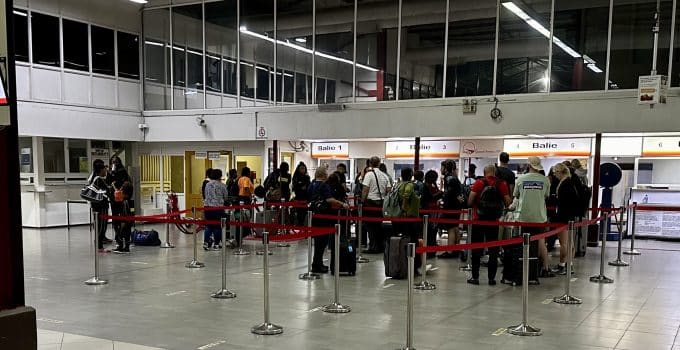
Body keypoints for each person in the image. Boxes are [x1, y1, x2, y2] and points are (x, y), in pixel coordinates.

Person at [466, 165, 512, 285]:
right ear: (495, 172)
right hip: (494, 221)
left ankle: (475, 277)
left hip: (478, 219)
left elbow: (470, 201)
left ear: (484, 172)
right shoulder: (502, 184)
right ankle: (492, 278)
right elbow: (508, 202)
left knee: (476, 249)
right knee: (493, 250)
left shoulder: (479, 183)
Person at [513, 156, 554, 279]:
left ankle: (524, 267)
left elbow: (516, 195)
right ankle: (545, 268)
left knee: (523, 242)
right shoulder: (545, 180)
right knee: (541, 242)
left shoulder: (520, 179)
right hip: (540, 217)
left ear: (529, 165)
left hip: (523, 217)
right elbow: (546, 196)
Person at [308, 167, 349, 273]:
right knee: (322, 241)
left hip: (313, 215)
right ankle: (317, 265)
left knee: (317, 241)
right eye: (326, 173)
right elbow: (329, 199)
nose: (327, 175)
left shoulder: (311, 185)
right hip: (324, 216)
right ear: (323, 175)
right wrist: (342, 204)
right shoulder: (324, 185)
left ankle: (317, 263)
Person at [552, 163, 581, 275]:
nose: (554, 175)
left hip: (563, 217)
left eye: (556, 172)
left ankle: (562, 265)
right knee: (570, 243)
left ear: (561, 172)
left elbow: (563, 202)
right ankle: (569, 264)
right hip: (570, 217)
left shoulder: (565, 184)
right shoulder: (570, 182)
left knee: (564, 243)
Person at [361, 156, 392, 254]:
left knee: (370, 226)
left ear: (370, 163)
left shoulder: (369, 175)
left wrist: (362, 201)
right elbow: (388, 191)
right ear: (379, 163)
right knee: (379, 225)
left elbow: (365, 190)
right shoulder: (384, 175)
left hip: (370, 203)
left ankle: (373, 246)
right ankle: (380, 246)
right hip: (381, 204)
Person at [438, 159, 464, 259]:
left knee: (451, 228)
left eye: (442, 167)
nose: (441, 169)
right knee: (455, 227)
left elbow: (449, 193)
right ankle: (456, 248)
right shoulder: (455, 178)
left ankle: (450, 250)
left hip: (450, 206)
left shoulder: (448, 178)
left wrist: (443, 199)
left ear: (445, 168)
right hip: (457, 206)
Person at [107, 156, 132, 250]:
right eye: (113, 162)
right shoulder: (110, 173)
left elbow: (127, 184)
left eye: (116, 162)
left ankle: (126, 244)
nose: (114, 164)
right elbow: (108, 183)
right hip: (114, 202)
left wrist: (121, 191)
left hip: (123, 201)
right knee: (116, 223)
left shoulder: (123, 171)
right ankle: (119, 243)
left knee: (125, 223)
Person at [88, 159, 112, 252]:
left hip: (96, 205)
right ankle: (100, 246)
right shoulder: (98, 179)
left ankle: (100, 245)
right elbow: (107, 191)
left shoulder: (93, 178)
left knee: (99, 225)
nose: (106, 171)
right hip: (101, 206)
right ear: (101, 170)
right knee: (102, 226)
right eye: (104, 169)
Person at [203, 169, 229, 250]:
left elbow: (205, 195)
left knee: (209, 226)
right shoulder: (222, 185)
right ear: (220, 176)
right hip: (218, 208)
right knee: (217, 226)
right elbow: (226, 197)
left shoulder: (207, 184)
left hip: (207, 207)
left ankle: (206, 243)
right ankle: (216, 244)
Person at [112, 182, 134, 254]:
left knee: (120, 234)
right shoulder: (131, 201)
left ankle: (121, 246)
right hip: (130, 221)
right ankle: (126, 247)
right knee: (127, 234)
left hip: (124, 221)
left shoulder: (124, 202)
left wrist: (122, 223)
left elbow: (124, 213)